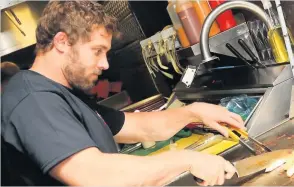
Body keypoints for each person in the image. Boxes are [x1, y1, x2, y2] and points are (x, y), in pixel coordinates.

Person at [1, 1, 292, 186]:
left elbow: (137, 126)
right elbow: (92, 175)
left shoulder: (63, 94)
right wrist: (185, 161)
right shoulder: (33, 100)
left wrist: (194, 112)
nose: (104, 64)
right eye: (97, 51)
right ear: (62, 42)